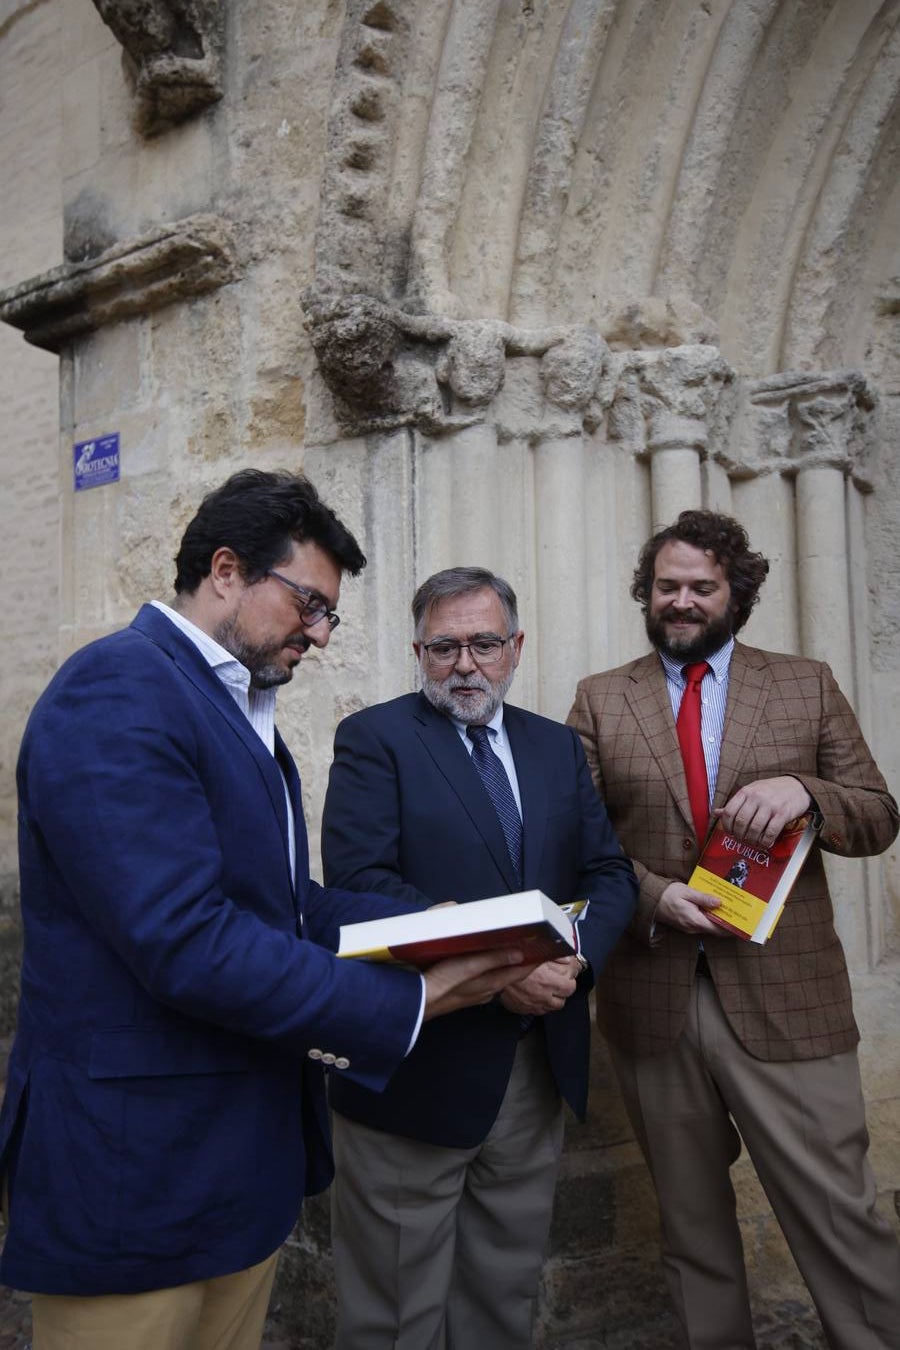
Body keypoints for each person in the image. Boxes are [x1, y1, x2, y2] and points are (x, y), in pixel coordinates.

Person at [0, 471, 533, 1350]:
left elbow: (282, 905)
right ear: (225, 571)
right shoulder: (117, 689)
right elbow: (185, 939)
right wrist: (408, 1001)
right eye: (308, 603)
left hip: (238, 1165)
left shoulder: (231, 702)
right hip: (136, 1171)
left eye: (329, 615)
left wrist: (427, 931)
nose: (319, 633)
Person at [567, 509, 900, 1350]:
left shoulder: (805, 684)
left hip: (789, 1000)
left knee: (842, 1217)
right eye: (666, 586)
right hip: (655, 999)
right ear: (647, 592)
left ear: (735, 595)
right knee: (692, 1231)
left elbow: (877, 814)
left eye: (700, 587)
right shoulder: (601, 699)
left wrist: (808, 793)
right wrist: (651, 896)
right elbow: (574, 840)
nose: (680, 601)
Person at [321, 565, 638, 1350]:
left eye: (485, 644)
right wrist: (505, 972)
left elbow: (608, 874)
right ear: (418, 653)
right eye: (445, 647)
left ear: (515, 648)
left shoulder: (555, 746)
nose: (465, 664)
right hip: (419, 1071)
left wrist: (572, 962)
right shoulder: (375, 740)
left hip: (534, 1069)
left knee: (502, 1297)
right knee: (395, 1317)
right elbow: (361, 885)